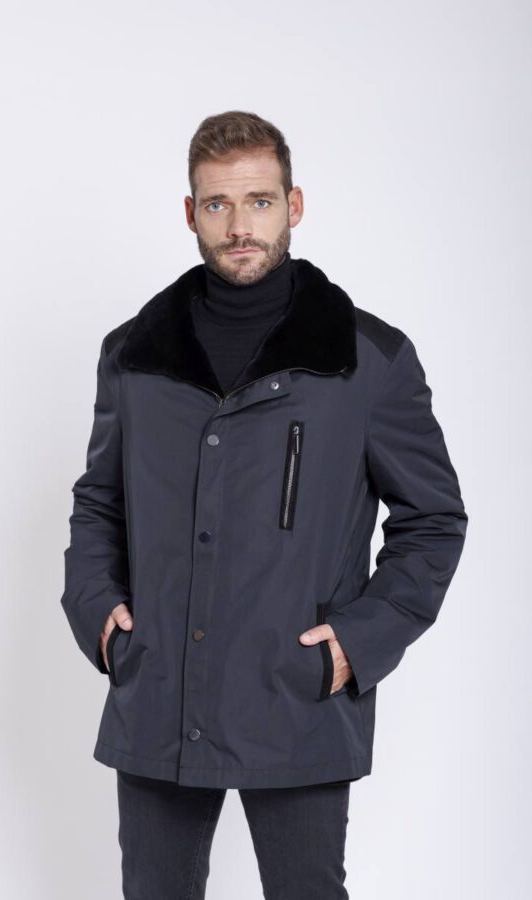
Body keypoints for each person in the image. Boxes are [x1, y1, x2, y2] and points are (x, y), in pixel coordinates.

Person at [60, 110, 468, 899]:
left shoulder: (367, 361)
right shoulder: (133, 357)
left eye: (259, 201)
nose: (240, 226)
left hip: (297, 696)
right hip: (160, 692)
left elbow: (434, 520)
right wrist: (100, 615)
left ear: (294, 205)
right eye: (218, 204)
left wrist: (354, 644)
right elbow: (99, 501)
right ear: (191, 212)